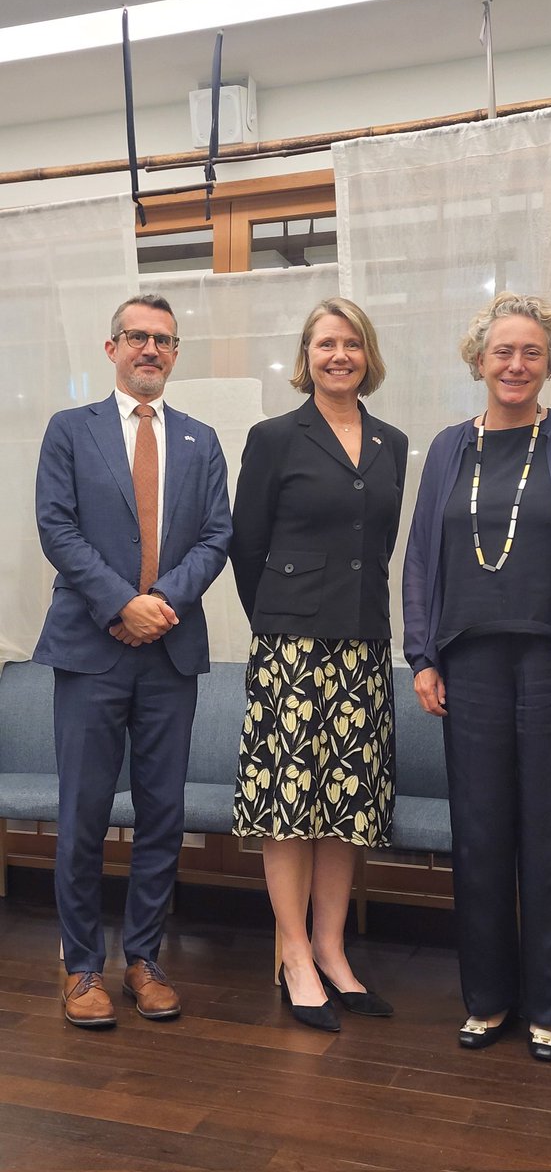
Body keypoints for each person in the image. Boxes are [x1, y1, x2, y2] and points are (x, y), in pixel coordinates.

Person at [403, 292, 551, 1061]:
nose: (516, 365)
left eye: (532, 352)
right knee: (480, 836)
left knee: (550, 837)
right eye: (503, 351)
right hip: (466, 664)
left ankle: (550, 1006)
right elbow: (419, 561)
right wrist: (422, 655)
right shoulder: (445, 449)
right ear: (478, 361)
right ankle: (488, 1000)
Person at [34, 293, 232, 1028]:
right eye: (137, 337)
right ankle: (82, 967)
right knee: (83, 813)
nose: (150, 349)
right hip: (91, 649)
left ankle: (143, 960)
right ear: (111, 347)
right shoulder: (69, 430)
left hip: (170, 650)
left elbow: (217, 535)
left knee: (161, 813)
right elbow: (57, 528)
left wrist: (159, 606)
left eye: (164, 340)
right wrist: (123, 604)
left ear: (175, 354)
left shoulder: (200, 440)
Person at [230, 297, 407, 1031]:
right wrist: (279, 621)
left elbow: (385, 541)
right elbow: (246, 546)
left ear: (369, 356)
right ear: (306, 357)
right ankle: (295, 955)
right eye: (327, 344)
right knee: (289, 806)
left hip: (363, 642)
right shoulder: (275, 437)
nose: (341, 355)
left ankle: (334, 951)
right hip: (293, 649)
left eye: (353, 344)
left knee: (346, 808)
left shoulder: (392, 440)